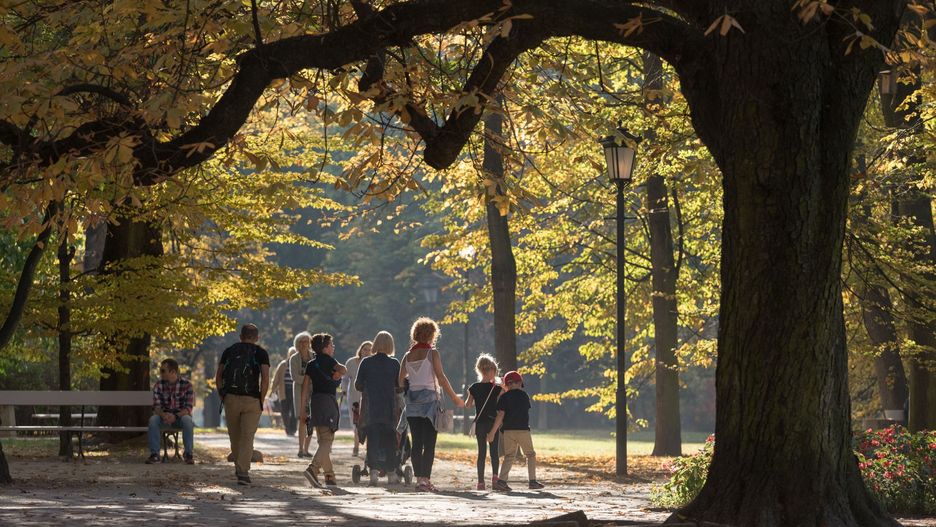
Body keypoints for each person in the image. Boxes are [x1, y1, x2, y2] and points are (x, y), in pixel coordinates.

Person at [398, 317, 465, 492]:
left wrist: (412, 380)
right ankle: (425, 480)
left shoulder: (407, 355)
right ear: (431, 335)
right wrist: (455, 398)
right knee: (429, 443)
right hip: (429, 404)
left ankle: (419, 480)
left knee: (417, 442)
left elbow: (399, 381)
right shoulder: (432, 353)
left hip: (412, 405)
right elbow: (441, 378)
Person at [216, 323, 270, 486]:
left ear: (241, 336)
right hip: (252, 399)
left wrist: (222, 395)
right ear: (257, 337)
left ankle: (239, 467)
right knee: (247, 436)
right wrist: (261, 398)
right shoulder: (261, 353)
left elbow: (218, 376)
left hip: (231, 398)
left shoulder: (229, 351)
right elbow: (265, 378)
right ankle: (243, 472)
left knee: (235, 436)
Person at [301, 333, 347, 488]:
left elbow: (305, 388)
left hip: (316, 401)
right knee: (327, 440)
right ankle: (313, 469)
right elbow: (344, 369)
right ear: (325, 348)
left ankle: (329, 476)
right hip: (328, 401)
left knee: (322, 440)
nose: (333, 347)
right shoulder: (330, 360)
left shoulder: (311, 364)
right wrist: (338, 373)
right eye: (331, 345)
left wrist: (303, 410)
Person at [355, 331, 402, 484]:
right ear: (390, 345)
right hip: (389, 408)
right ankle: (391, 473)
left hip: (371, 408)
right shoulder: (394, 364)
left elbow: (358, 384)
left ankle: (373, 473)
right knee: (390, 441)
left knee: (373, 440)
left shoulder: (366, 362)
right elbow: (400, 386)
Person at [486, 371, 544, 491]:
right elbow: (526, 410)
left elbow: (500, 415)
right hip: (523, 430)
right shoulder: (524, 396)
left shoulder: (504, 397)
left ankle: (502, 481)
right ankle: (532, 481)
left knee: (509, 456)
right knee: (530, 454)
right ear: (519, 383)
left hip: (507, 431)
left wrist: (492, 432)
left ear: (507, 384)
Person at [146, 358, 196, 465]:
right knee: (153, 420)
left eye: (163, 370)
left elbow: (188, 408)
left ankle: (188, 454)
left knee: (188, 420)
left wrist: (175, 416)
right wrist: (164, 415)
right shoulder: (159, 385)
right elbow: (156, 406)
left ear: (173, 372)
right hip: (163, 417)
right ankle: (155, 455)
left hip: (180, 418)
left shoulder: (187, 385)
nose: (160, 373)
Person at [465, 354, 502, 490]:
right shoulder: (497, 389)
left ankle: (480, 482)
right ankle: (495, 478)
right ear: (492, 370)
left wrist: (471, 398)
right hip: (492, 423)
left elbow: (468, 405)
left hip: (480, 423)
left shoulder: (473, 388)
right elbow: (501, 405)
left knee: (481, 453)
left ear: (479, 369)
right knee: (494, 453)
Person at [342, 340, 373, 457]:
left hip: (368, 398)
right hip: (354, 397)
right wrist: (344, 390)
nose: (367, 352)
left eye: (370, 350)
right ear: (360, 350)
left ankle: (369, 448)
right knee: (356, 423)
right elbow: (345, 378)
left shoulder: (373, 363)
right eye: (365, 349)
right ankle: (356, 447)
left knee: (368, 422)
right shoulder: (351, 362)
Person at [289, 331, 314, 457]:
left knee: (311, 420)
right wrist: (308, 379)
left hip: (313, 392)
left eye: (306, 341)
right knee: (302, 420)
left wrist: (310, 381)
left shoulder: (314, 357)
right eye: (302, 341)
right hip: (299, 392)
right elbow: (295, 376)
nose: (304, 344)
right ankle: (300, 449)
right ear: (297, 344)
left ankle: (306, 449)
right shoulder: (294, 358)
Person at [270, 347, 298, 436]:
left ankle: (293, 429)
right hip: (284, 391)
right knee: (284, 411)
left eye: (294, 353)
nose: (292, 355)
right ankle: (287, 428)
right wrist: (272, 390)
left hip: (295, 391)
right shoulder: (283, 364)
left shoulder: (298, 364)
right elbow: (276, 378)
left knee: (295, 411)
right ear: (288, 354)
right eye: (291, 353)